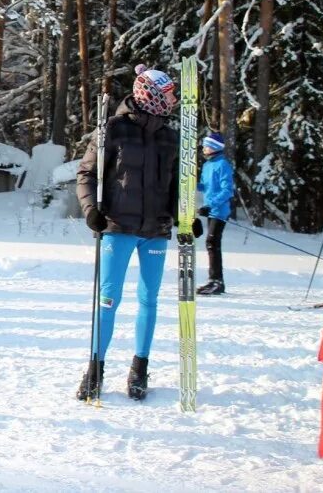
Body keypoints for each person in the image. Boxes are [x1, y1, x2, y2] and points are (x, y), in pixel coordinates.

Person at [75, 64, 202, 402]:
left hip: (156, 231)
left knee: (149, 299)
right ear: (150, 94)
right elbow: (86, 174)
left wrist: (185, 217)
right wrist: (91, 210)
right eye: (167, 95)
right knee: (108, 300)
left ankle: (139, 368)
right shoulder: (112, 130)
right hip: (117, 228)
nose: (172, 101)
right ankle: (95, 368)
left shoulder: (171, 138)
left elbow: (176, 186)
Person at [196, 132, 234, 296]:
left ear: (214, 147)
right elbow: (205, 187)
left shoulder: (223, 165)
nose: (203, 148)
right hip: (211, 210)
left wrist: (210, 205)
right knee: (211, 243)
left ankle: (217, 281)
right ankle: (214, 280)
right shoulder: (207, 165)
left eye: (206, 145)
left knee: (212, 242)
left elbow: (227, 190)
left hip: (219, 210)